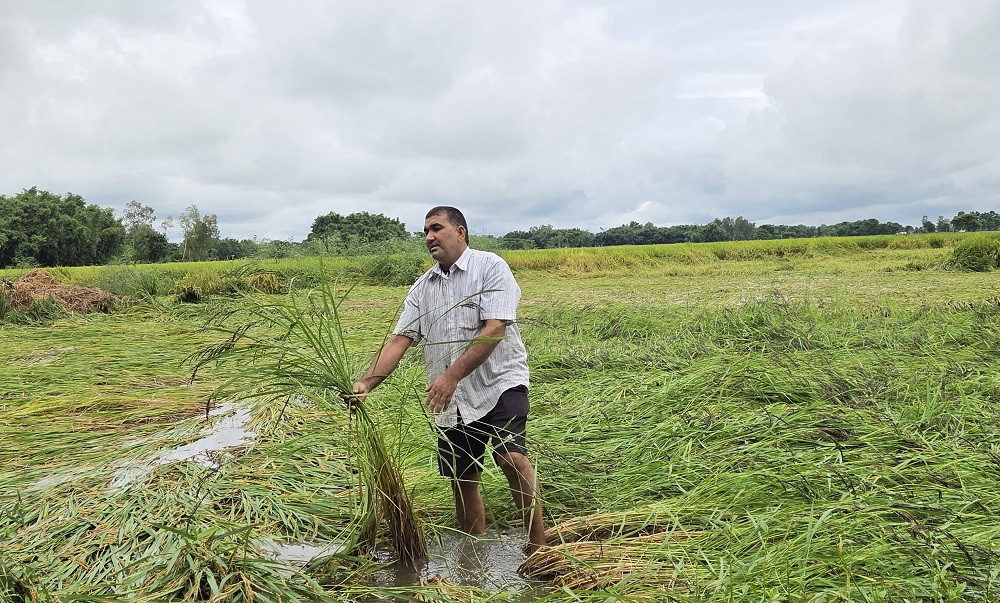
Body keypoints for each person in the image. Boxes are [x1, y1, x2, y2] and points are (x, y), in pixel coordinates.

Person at [351, 206, 545, 554]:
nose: (429, 237)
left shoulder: (490, 267)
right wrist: (366, 383)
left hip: (500, 381)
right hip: (452, 399)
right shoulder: (422, 289)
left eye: (436, 228)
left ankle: (539, 548)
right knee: (463, 478)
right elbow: (399, 341)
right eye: (425, 231)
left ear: (460, 232)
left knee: (512, 459)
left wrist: (451, 376)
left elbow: (495, 328)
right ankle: (473, 558)